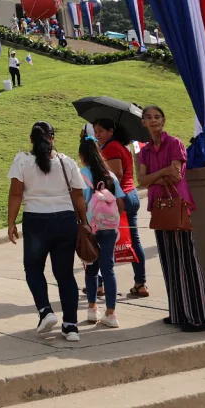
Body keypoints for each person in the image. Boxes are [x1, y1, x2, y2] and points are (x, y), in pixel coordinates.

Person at [7, 121, 88, 342]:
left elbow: (15, 194)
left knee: (33, 268)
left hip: (36, 220)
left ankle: (45, 311)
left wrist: (11, 222)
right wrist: (85, 221)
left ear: (31, 139)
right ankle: (71, 326)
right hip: (66, 220)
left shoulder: (22, 161)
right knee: (65, 274)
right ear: (53, 138)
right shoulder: (67, 162)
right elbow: (78, 196)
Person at [136, 105, 205, 331]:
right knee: (169, 261)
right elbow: (142, 181)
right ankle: (179, 313)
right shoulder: (145, 152)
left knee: (186, 261)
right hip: (159, 208)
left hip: (178, 206)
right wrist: (160, 174)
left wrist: (153, 177)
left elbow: (176, 173)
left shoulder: (174, 143)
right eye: (148, 117)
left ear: (164, 120)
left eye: (157, 117)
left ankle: (199, 317)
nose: (153, 120)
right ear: (143, 123)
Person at [93, 120, 147, 298]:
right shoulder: (120, 146)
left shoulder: (112, 148)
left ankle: (100, 284)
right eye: (95, 131)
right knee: (133, 240)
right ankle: (140, 283)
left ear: (111, 131)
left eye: (101, 131)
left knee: (103, 241)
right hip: (130, 194)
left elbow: (116, 175)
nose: (97, 134)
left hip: (119, 198)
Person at [79, 137, 122, 328]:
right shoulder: (110, 175)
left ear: (82, 156)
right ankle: (111, 313)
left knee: (91, 268)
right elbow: (121, 200)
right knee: (108, 269)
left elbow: (79, 201)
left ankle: (91, 308)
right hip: (109, 228)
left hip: (90, 227)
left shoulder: (82, 174)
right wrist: (114, 219)